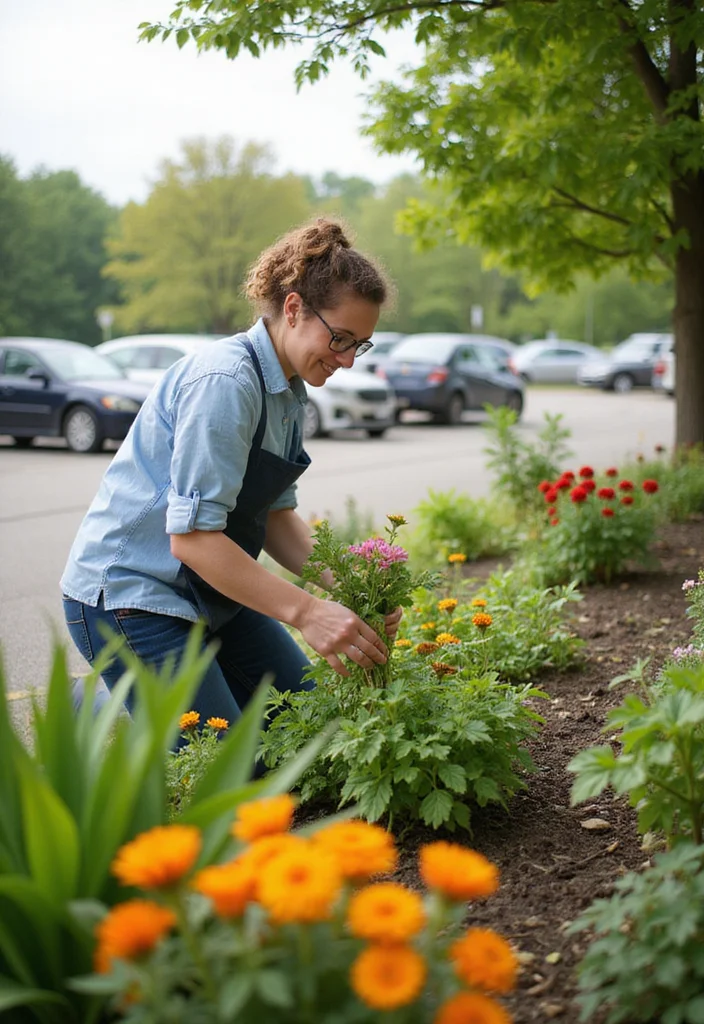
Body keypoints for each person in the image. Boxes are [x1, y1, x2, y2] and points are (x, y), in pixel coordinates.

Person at [60, 218, 401, 728]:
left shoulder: (288, 393)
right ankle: (102, 709)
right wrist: (308, 612)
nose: (348, 360)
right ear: (293, 309)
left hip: (212, 593)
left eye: (361, 345)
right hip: (134, 597)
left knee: (306, 730)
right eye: (340, 338)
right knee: (225, 764)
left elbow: (277, 519)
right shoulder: (226, 381)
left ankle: (140, 704)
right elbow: (193, 541)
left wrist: (354, 587)